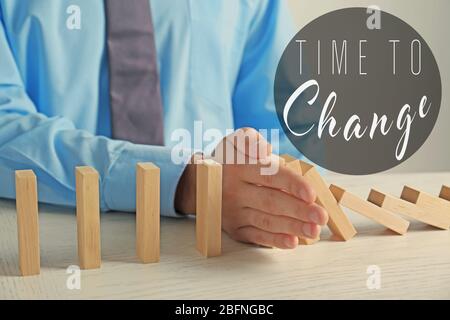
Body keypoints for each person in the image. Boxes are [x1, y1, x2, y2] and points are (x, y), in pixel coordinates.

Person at [0, 0, 328, 249]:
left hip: (218, 253)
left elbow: (290, 130)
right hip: (53, 252)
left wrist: (273, 189)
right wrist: (185, 183)